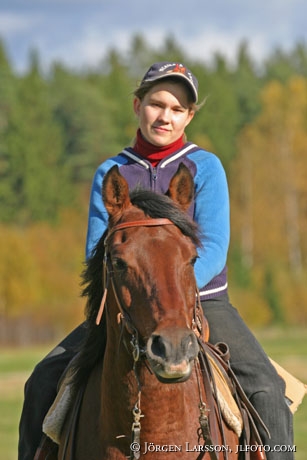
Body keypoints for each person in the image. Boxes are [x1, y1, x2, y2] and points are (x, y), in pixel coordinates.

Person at [18, 61, 293, 460]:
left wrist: (173, 289)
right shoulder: (111, 172)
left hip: (204, 302)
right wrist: (139, 292)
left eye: (178, 109)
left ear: (189, 116)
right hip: (125, 306)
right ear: (137, 105)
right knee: (41, 382)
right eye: (156, 104)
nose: (165, 116)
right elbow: (96, 253)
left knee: (267, 389)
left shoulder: (206, 168)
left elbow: (214, 246)